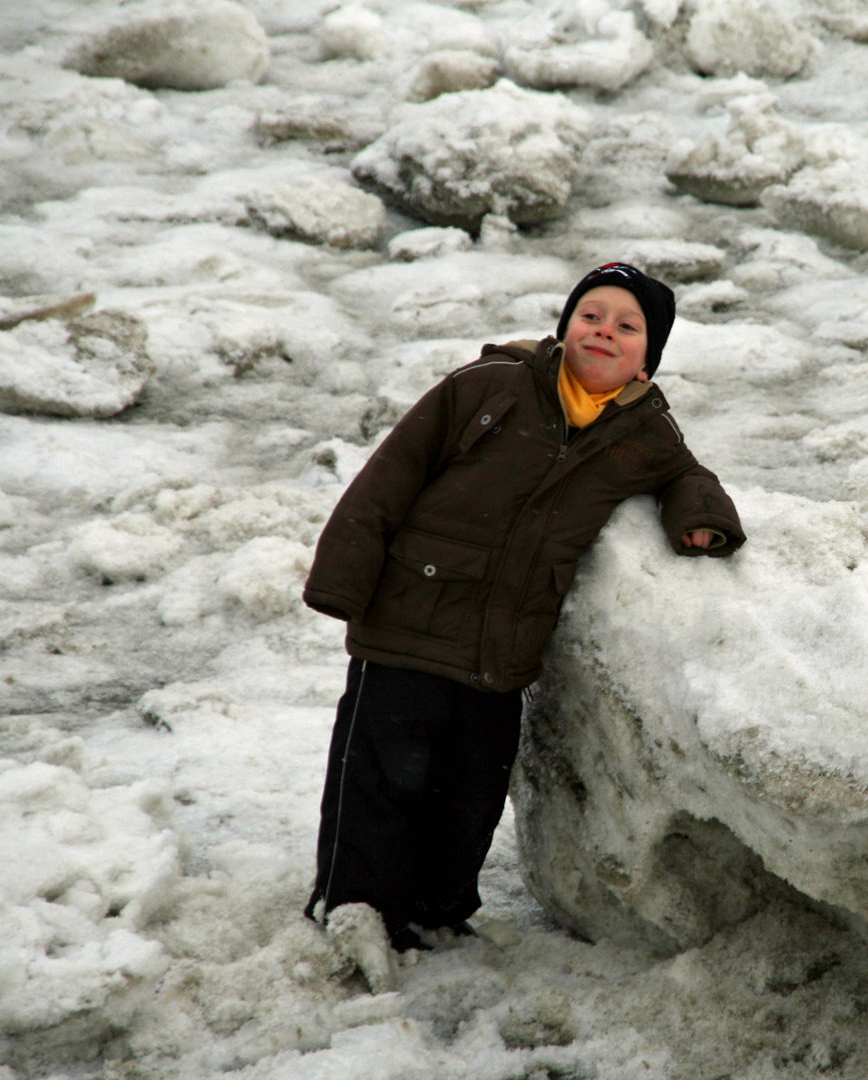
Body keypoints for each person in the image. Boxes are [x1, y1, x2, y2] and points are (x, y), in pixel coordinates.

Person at [300, 262, 745, 957]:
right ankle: (354, 912)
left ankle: (437, 914)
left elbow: (687, 475)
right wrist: (341, 579)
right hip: (408, 623)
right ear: (565, 326)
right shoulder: (491, 387)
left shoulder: (642, 431)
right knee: (380, 782)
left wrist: (702, 520)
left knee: (468, 793)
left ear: (646, 358)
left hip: (503, 650)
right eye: (591, 316)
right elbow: (390, 475)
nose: (604, 331)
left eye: (627, 327)